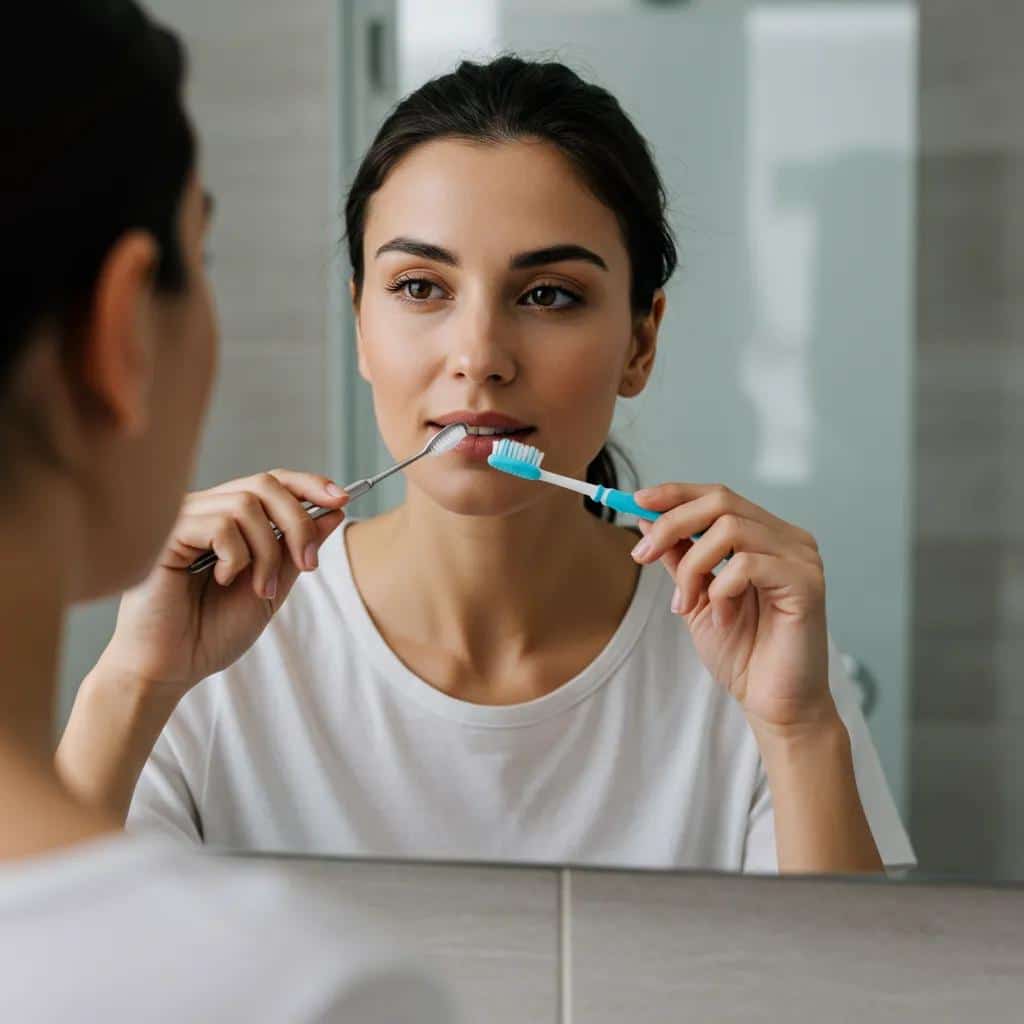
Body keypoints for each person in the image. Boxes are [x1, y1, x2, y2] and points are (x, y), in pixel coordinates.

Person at [59, 55, 914, 874]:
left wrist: (799, 731)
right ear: (361, 327)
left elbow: (851, 973)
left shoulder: (753, 651)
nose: (478, 357)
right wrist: (134, 682)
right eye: (420, 288)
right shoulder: (214, 650)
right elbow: (32, 952)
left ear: (640, 342)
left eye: (548, 295)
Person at [1, 3, 455, 1019]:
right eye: (199, 258)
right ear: (122, 329)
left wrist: (137, 679)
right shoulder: (301, 991)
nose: (476, 356)